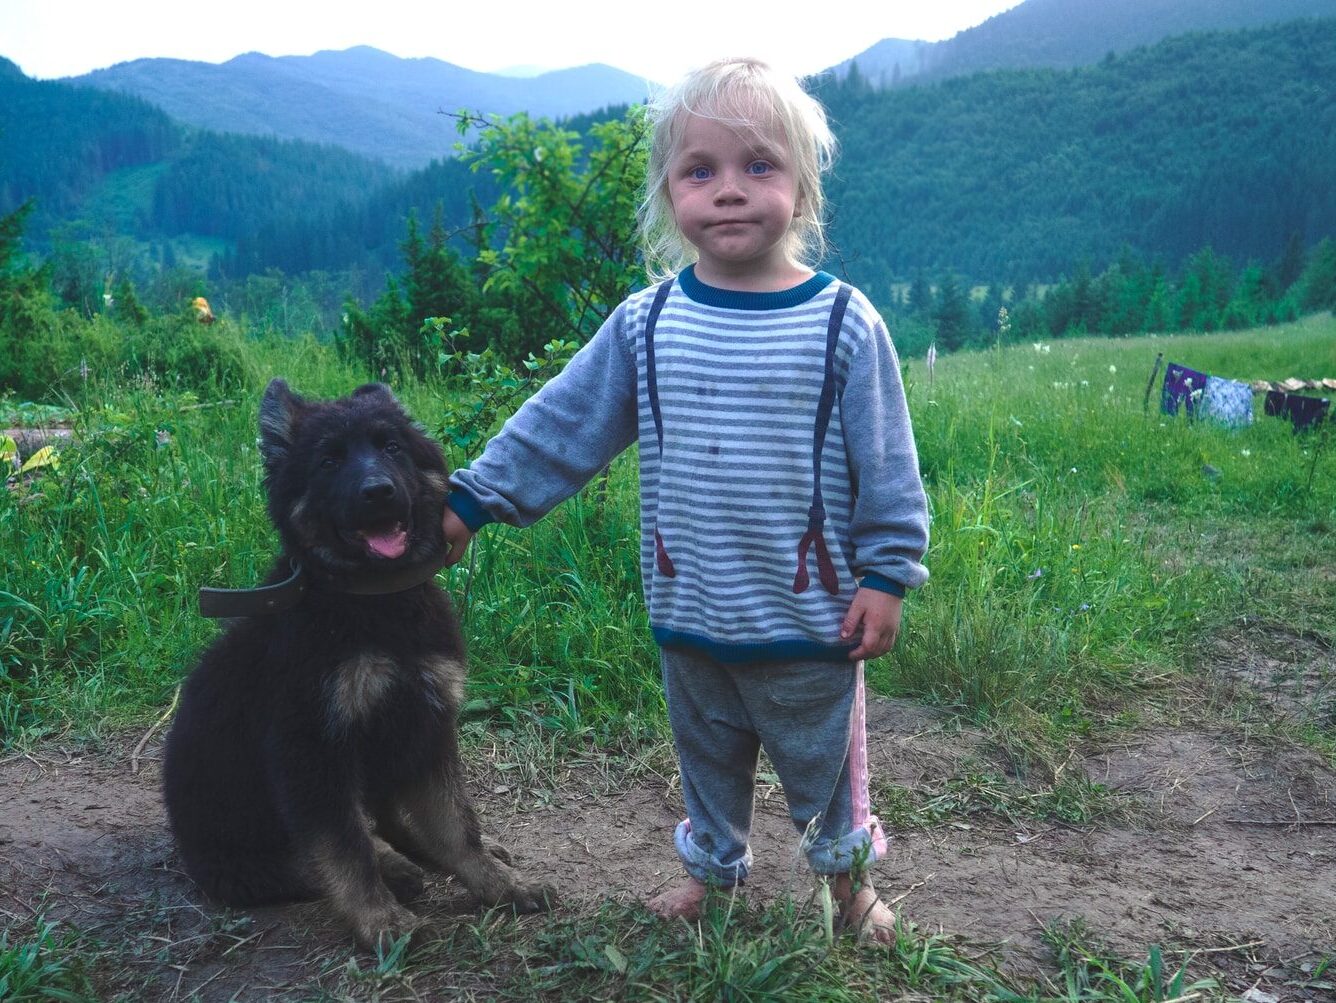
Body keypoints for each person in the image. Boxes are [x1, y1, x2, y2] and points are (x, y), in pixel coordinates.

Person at [440, 57, 929, 943]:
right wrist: (472, 501)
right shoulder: (648, 322)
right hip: (691, 611)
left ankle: (849, 888)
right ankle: (713, 874)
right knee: (707, 761)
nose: (730, 191)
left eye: (759, 167)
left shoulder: (842, 322)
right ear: (669, 195)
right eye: (700, 170)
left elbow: (889, 464)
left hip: (810, 621)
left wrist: (888, 573)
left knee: (828, 770)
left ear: (804, 188)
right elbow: (564, 423)